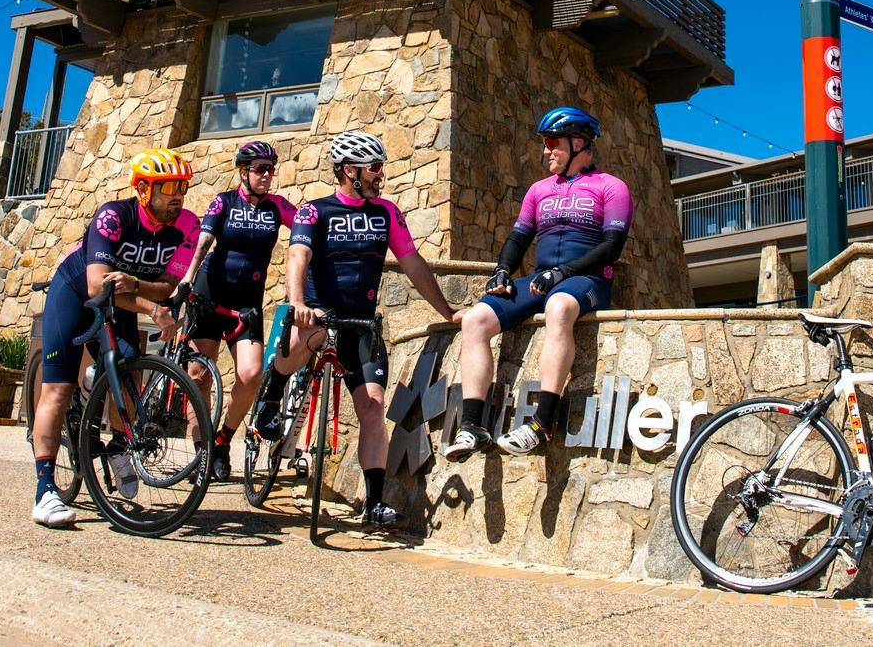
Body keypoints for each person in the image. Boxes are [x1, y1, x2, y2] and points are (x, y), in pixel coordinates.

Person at [251, 129, 461, 531]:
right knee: (300, 344)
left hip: (360, 322)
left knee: (373, 405)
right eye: (375, 167)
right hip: (317, 314)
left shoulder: (386, 213)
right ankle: (271, 393)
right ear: (351, 171)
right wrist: (297, 303)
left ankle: (374, 502)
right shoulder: (316, 212)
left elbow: (413, 264)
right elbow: (298, 255)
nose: (381, 174)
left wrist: (448, 311)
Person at [443, 106, 633, 459]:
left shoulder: (611, 187)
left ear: (578, 143)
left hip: (588, 280)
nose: (545, 150)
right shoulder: (539, 189)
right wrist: (502, 270)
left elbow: (611, 246)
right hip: (541, 279)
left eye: (551, 142)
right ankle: (472, 427)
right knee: (475, 320)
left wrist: (563, 273)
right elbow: (519, 237)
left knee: (558, 307)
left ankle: (542, 423)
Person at [29, 148, 199, 528]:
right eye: (168, 187)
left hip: (122, 299)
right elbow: (95, 286)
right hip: (76, 293)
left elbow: (168, 285)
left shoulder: (188, 225)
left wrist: (139, 286)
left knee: (127, 372)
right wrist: (151, 307)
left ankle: (119, 445)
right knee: (57, 390)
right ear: (142, 190)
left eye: (182, 187)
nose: (178, 196)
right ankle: (44, 490)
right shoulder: (113, 216)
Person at [171, 140, 294, 481]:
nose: (268, 176)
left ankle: (222, 439)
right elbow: (204, 242)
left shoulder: (276, 207)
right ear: (243, 172)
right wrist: (187, 279)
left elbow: (306, 228)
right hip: (209, 295)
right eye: (260, 169)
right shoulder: (223, 202)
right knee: (198, 376)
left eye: (271, 169)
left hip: (245, 304)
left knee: (251, 374)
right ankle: (202, 452)